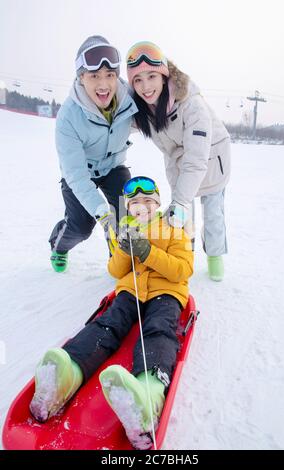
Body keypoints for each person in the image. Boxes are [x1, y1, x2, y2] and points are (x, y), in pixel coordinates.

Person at [30, 176, 194, 450]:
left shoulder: (173, 230)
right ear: (128, 208)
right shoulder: (125, 231)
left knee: (159, 330)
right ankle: (66, 374)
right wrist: (124, 248)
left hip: (166, 293)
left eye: (148, 201)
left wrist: (147, 252)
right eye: (136, 203)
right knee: (108, 323)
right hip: (130, 291)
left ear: (158, 204)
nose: (142, 207)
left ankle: (148, 393)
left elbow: (182, 270)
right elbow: (115, 271)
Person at [126, 41, 231, 281]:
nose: (145, 86)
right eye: (137, 80)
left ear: (164, 76)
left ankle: (215, 257)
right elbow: (118, 129)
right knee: (182, 217)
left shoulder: (192, 105)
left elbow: (196, 159)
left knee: (212, 214)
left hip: (211, 159)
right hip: (178, 163)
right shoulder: (143, 108)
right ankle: (185, 258)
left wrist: (181, 201)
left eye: (151, 76)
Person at [49, 35, 138, 272]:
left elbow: (154, 114)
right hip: (81, 173)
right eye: (94, 76)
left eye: (110, 75)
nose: (103, 84)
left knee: (124, 218)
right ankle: (59, 246)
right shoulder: (69, 116)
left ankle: (119, 263)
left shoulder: (127, 98)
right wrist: (101, 213)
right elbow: (75, 174)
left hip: (114, 167)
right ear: (81, 77)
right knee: (82, 227)